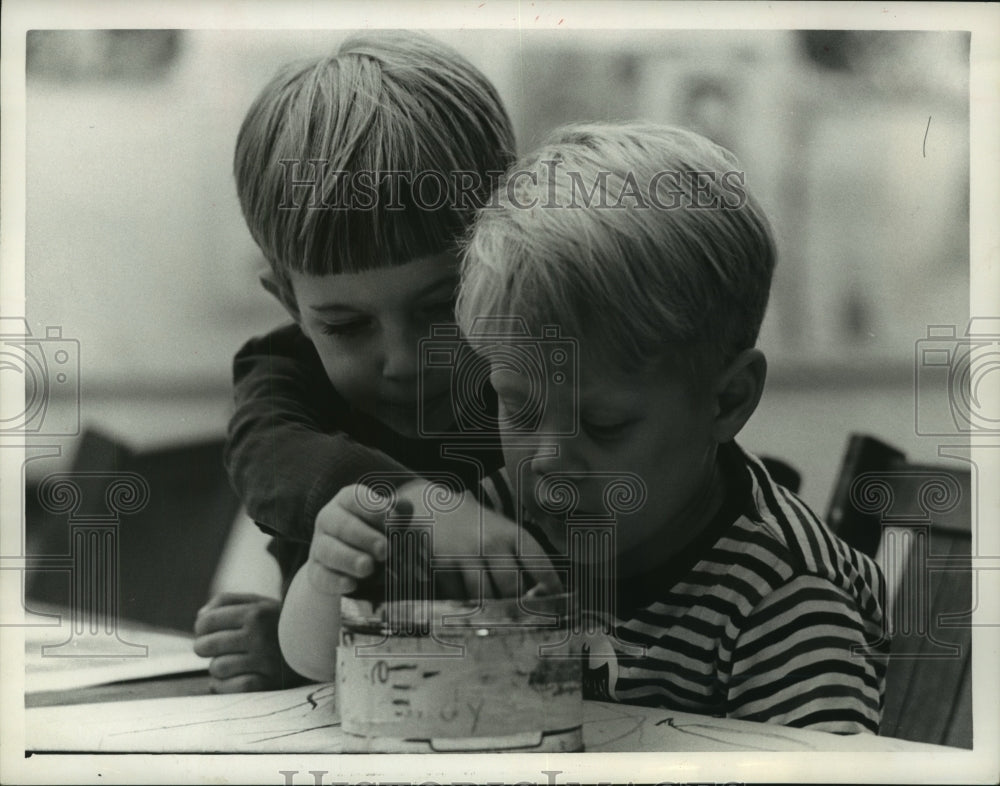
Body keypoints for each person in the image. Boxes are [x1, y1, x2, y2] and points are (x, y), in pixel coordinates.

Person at [453, 121, 888, 733]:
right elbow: (338, 679)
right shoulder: (498, 522)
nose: (546, 459)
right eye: (518, 408)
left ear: (726, 401)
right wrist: (333, 571)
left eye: (603, 423)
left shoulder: (784, 600)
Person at [193, 32, 531, 692]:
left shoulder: (530, 365)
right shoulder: (285, 379)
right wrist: (410, 500)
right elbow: (270, 458)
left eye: (442, 306)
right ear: (289, 302)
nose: (402, 360)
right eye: (345, 325)